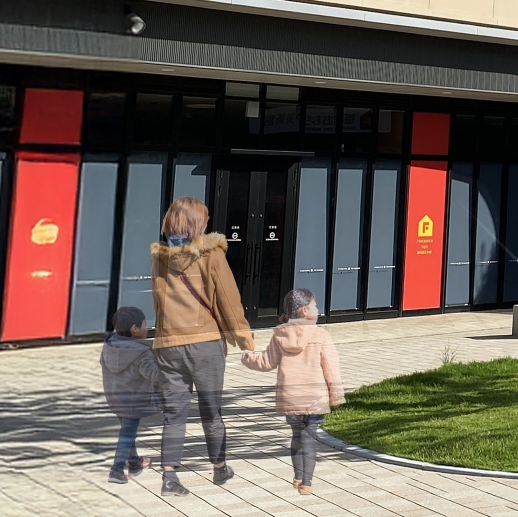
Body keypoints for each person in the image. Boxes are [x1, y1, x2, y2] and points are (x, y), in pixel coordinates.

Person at [150, 196, 253, 496]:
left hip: (168, 343)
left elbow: (158, 302)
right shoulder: (211, 255)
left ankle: (169, 476)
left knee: (174, 413)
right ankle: (219, 467)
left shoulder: (160, 257)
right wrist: (243, 339)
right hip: (204, 344)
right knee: (211, 410)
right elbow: (228, 300)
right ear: (198, 223)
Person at [241, 287, 345, 497]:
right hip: (314, 398)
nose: (317, 309)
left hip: (290, 397)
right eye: (315, 305)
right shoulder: (320, 335)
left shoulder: (280, 334)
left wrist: (247, 357)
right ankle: (306, 483)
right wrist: (336, 396)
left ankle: (297, 476)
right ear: (305, 311)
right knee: (309, 439)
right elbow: (331, 368)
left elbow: (266, 362)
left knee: (296, 436)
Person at [98, 306, 156, 483]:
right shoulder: (141, 353)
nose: (147, 328)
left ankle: (135, 463)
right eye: (145, 325)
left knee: (127, 432)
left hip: (115, 397)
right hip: (134, 400)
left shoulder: (110, 345)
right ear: (135, 329)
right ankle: (116, 470)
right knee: (127, 434)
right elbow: (153, 374)